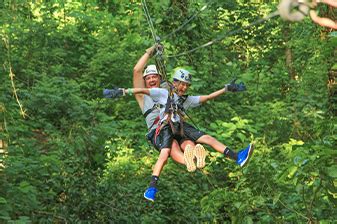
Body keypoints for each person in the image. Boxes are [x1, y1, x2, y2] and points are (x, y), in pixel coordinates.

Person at [105, 63, 254, 202]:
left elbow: (207, 97)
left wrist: (226, 89)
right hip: (164, 126)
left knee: (203, 139)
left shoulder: (185, 100)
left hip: (179, 125)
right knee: (167, 151)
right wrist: (123, 91)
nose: (183, 88)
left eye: (186, 85)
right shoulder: (163, 93)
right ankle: (152, 187)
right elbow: (142, 90)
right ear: (174, 83)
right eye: (181, 84)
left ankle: (236, 157)